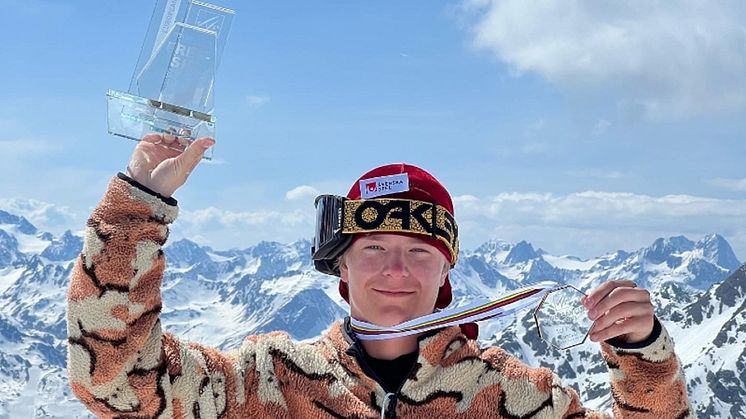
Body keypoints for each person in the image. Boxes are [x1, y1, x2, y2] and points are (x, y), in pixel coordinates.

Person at [67, 134, 692, 418]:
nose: (397, 269)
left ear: (446, 267)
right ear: (341, 264)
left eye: (420, 252)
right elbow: (117, 385)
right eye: (373, 248)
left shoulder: (518, 398)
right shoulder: (267, 385)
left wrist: (642, 355)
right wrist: (138, 206)